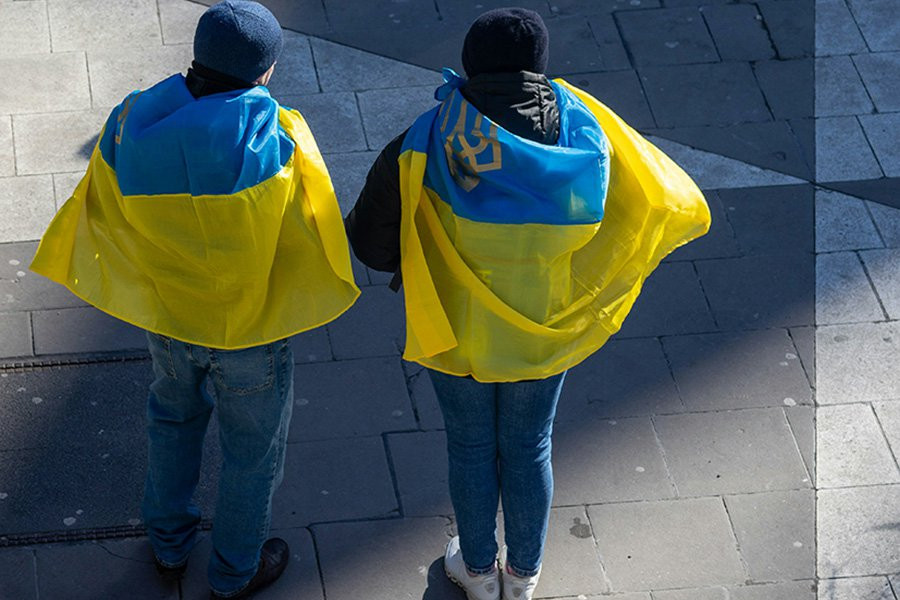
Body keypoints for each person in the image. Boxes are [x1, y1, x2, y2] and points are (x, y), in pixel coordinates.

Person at [345, 8, 710, 600]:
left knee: (469, 446)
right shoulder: (585, 132)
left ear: (469, 64)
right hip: (544, 326)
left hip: (455, 328)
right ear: (539, 67)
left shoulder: (423, 140)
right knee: (529, 446)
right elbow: (637, 202)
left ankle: (477, 572)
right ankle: (522, 577)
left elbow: (372, 245)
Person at [30, 2, 359, 598]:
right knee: (252, 453)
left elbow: (105, 207)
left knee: (172, 423)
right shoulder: (278, 136)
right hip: (251, 330)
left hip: (170, 317)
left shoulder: (131, 120)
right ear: (266, 71)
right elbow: (311, 228)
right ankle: (235, 572)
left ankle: (168, 545)